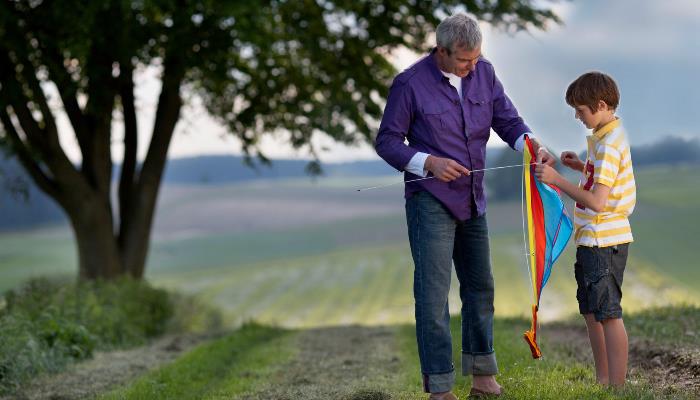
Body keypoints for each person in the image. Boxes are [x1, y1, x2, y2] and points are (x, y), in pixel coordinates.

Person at [374, 13, 553, 399]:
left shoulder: (484, 73)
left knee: (480, 287)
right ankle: (439, 388)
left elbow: (509, 121)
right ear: (441, 51)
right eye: (464, 61)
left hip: (474, 199)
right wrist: (428, 162)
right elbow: (387, 141)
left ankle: (483, 378)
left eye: (476, 59)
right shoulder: (408, 84)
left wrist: (532, 147)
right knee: (433, 294)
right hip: (429, 201)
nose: (472, 67)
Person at [535, 71, 635, 387]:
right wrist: (579, 167)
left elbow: (597, 201)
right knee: (592, 313)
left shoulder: (608, 146)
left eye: (581, 110)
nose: (577, 116)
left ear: (601, 104)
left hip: (604, 241)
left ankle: (616, 387)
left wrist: (558, 181)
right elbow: (603, 180)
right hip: (591, 240)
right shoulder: (603, 140)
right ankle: (603, 380)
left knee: (608, 313)